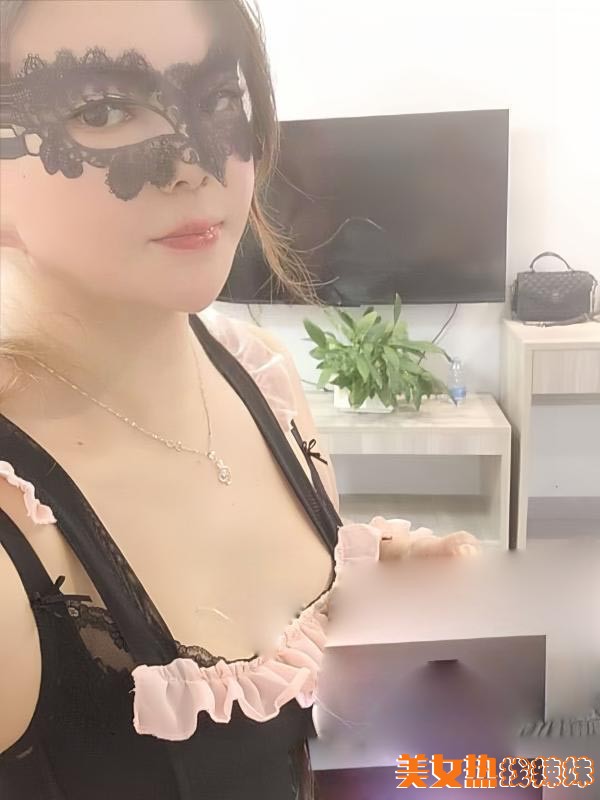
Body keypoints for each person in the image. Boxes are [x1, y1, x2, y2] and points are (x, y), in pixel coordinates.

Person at [0, 1, 479, 798]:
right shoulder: (16, 537)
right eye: (104, 110)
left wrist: (367, 595)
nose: (195, 163)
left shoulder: (261, 374)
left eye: (218, 94)